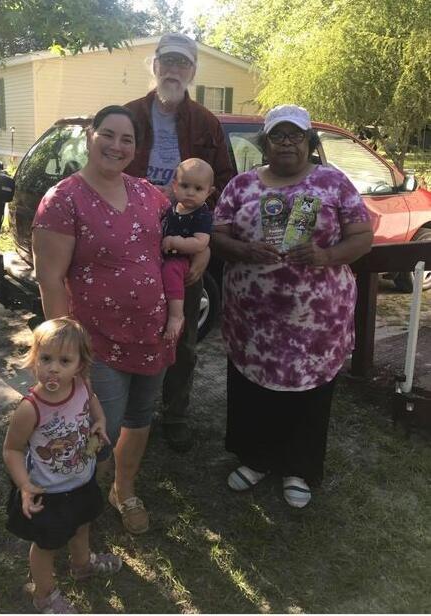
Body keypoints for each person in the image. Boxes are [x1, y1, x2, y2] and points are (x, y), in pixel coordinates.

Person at [211, 104, 373, 507]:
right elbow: (216, 234)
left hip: (314, 325)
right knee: (252, 389)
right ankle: (256, 458)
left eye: (295, 135)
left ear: (309, 142)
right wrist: (243, 249)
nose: (286, 143)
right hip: (254, 321)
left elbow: (362, 237)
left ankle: (298, 467)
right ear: (265, 143)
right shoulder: (241, 185)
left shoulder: (333, 182)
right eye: (278, 136)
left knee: (309, 394)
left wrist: (325, 256)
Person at [31, 105, 175, 535]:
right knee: (97, 429)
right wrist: (65, 351)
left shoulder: (150, 194)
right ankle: (77, 502)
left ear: (135, 147)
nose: (117, 145)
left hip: (151, 333)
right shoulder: (62, 200)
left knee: (140, 416)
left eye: (127, 139)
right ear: (90, 137)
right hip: (96, 342)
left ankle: (123, 490)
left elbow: (173, 240)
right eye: (107, 135)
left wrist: (200, 253)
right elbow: (51, 279)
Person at [125, 32, 235, 452]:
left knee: (183, 335)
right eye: (167, 61)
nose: (174, 70)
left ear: (192, 71)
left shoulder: (207, 122)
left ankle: (174, 415)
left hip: (185, 244)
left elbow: (224, 182)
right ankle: (127, 413)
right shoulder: (130, 116)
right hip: (131, 239)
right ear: (153, 65)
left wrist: (205, 243)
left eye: (182, 63)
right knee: (129, 326)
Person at [3, 318, 122, 614]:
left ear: (80, 365)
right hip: (48, 492)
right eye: (46, 358)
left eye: (64, 360)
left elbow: (92, 400)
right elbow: (12, 449)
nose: (53, 368)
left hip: (81, 480)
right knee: (46, 546)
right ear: (34, 359)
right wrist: (25, 485)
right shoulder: (30, 408)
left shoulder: (81, 385)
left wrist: (100, 421)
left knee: (82, 525)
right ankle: (45, 596)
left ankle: (82, 564)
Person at [162, 158, 214, 340]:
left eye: (198, 189)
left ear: (209, 192)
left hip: (182, 261)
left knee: (171, 271)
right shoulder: (171, 207)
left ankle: (176, 316)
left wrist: (176, 242)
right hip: (165, 257)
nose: (190, 193)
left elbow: (201, 242)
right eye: (185, 186)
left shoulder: (202, 214)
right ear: (174, 186)